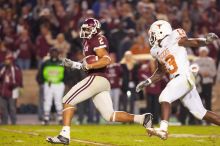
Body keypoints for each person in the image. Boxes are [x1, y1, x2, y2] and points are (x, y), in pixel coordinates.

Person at [46, 18, 153, 145]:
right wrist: (74, 64)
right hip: (101, 80)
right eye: (84, 29)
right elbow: (87, 64)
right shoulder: (88, 41)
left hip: (97, 78)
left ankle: (64, 135)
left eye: (87, 29)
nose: (85, 31)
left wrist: (90, 66)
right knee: (109, 115)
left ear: (95, 29)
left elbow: (106, 59)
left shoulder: (97, 38)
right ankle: (142, 118)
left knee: (67, 100)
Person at [136, 20, 220, 140]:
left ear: (160, 32)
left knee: (164, 97)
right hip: (179, 81)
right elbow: (160, 71)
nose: (151, 36)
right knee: (200, 112)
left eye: (153, 33)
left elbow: (191, 42)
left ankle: (163, 130)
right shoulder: (155, 50)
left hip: (184, 76)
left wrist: (205, 41)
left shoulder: (174, 37)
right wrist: (147, 82)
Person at [37, 48, 66, 125]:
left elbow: (66, 74)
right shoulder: (45, 63)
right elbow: (40, 74)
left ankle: (60, 118)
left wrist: (65, 83)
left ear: (58, 54)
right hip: (48, 84)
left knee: (58, 101)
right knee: (47, 101)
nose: (54, 54)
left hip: (59, 84)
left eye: (55, 53)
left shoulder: (61, 63)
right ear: (50, 54)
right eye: (52, 53)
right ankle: (46, 118)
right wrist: (42, 82)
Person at [0, 53, 23, 125]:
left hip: (12, 91)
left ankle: (14, 123)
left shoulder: (16, 69)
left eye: (7, 60)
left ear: (11, 60)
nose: (5, 61)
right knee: (3, 109)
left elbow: (19, 80)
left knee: (12, 108)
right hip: (2, 92)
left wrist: (15, 86)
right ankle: (4, 123)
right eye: (5, 59)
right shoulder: (2, 69)